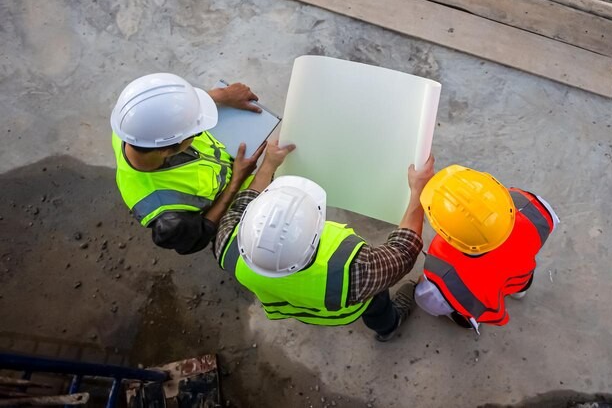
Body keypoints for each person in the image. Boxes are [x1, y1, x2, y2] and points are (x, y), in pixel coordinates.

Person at [215, 156, 436, 341]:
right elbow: (404, 250)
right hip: (344, 307)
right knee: (377, 303)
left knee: (302, 302)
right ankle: (388, 327)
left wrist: (269, 163)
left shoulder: (226, 244)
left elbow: (243, 202)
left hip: (291, 304)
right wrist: (418, 191)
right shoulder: (357, 271)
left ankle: (317, 315)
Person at [110, 72, 267, 254]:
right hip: (238, 201)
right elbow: (198, 237)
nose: (199, 133)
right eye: (195, 133)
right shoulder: (169, 218)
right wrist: (236, 181)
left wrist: (221, 95)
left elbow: (161, 110)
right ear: (165, 150)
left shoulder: (131, 127)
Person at [415, 165, 558, 333]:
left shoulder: (441, 268)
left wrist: (423, 283)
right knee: (517, 282)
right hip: (520, 275)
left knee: (435, 299)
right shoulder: (529, 206)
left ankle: (468, 323)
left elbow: (430, 299)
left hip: (478, 300)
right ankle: (518, 292)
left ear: (447, 233)